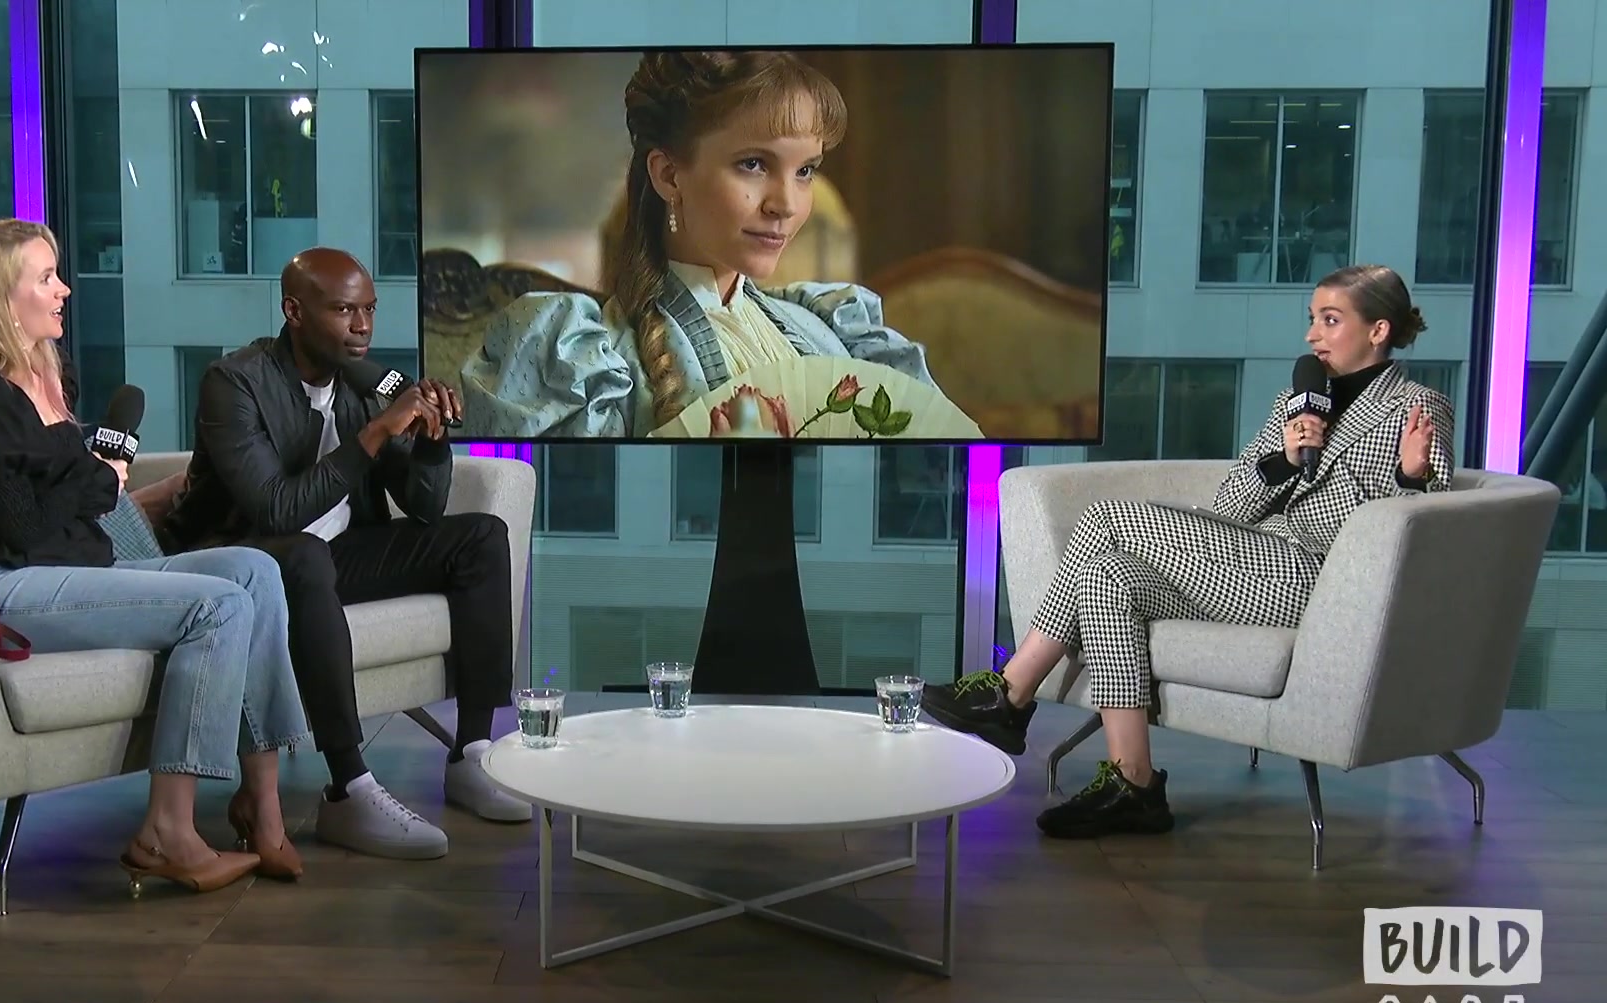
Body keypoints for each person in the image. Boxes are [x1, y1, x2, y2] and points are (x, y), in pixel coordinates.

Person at [925, 264, 1454, 839]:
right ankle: (1134, 783)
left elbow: (1421, 538)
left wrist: (1411, 477)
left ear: (1378, 330)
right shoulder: (1298, 401)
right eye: (1312, 319)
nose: (1312, 335)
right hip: (1254, 566)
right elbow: (1230, 506)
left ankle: (1011, 693)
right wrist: (1283, 460)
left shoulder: (1418, 407)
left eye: (1330, 320)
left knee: (1105, 517)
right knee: (1106, 575)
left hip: (1319, 582)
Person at [0, 217, 311, 892]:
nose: (64, 290)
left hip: (79, 569)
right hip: (10, 586)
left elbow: (63, 501)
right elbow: (22, 526)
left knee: (255, 570)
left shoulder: (46, 380)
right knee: (218, 606)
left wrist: (96, 481)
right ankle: (167, 832)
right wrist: (100, 480)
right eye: (46, 278)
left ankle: (262, 806)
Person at [157, 248, 528, 862]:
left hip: (336, 556)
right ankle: (349, 787)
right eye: (344, 311)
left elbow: (425, 508)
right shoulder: (235, 382)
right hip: (244, 562)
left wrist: (432, 440)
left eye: (370, 310)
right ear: (294, 311)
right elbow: (275, 510)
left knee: (481, 537)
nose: (362, 327)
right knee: (305, 554)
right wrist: (376, 432)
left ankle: (472, 754)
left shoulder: (365, 384)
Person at [456, 49, 980, 440]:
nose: (786, 204)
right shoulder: (583, 361)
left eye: (805, 171)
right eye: (753, 164)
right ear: (668, 175)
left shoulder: (833, 330)